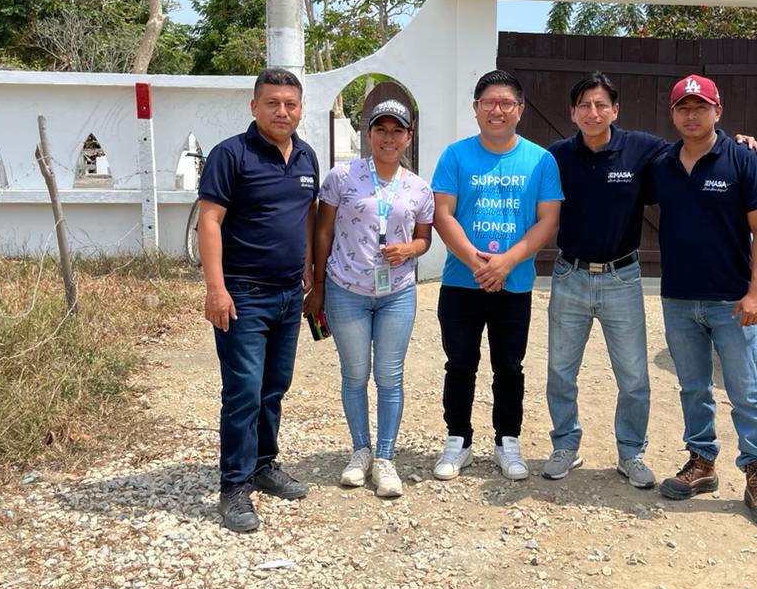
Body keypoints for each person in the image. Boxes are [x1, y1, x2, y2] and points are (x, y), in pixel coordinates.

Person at [542, 71, 757, 490]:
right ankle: (565, 445)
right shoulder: (556, 157)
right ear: (573, 113)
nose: (593, 112)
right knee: (560, 371)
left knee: (633, 376)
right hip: (570, 274)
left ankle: (631, 453)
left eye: (601, 104)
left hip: (622, 276)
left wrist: (740, 143)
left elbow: (699, 146)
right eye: (585, 105)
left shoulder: (644, 150)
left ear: (616, 110)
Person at [646, 73, 757, 527]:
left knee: (746, 390)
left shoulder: (745, 159)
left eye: (700, 107)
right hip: (679, 298)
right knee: (693, 387)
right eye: (683, 108)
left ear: (717, 111)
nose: (692, 115)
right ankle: (701, 461)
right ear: (673, 115)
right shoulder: (662, 164)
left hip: (732, 300)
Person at [196, 68, 318, 533]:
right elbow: (209, 222)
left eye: (290, 104)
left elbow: (307, 215)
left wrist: (309, 269)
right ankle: (234, 486)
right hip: (243, 294)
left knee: (274, 387)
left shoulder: (306, 156)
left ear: (300, 109)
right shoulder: (231, 155)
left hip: (289, 294)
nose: (282, 112)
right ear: (254, 107)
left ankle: (264, 464)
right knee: (243, 392)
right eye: (272, 103)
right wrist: (216, 288)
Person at [431, 69, 563, 481]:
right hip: (461, 281)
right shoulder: (455, 156)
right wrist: (478, 263)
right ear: (476, 108)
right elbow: (443, 214)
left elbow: (547, 220)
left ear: (520, 109)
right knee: (460, 364)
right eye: (489, 102)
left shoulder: (541, 160)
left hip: (515, 282)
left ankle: (508, 441)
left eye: (506, 103)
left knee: (509, 366)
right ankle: (458, 440)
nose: (497, 110)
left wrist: (506, 263)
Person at [305, 99, 434, 499]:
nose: (388, 138)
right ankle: (360, 450)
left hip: (397, 293)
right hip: (346, 290)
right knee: (355, 374)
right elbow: (323, 231)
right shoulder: (342, 177)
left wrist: (409, 249)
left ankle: (385, 457)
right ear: (369, 134)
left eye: (397, 131)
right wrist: (318, 284)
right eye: (381, 130)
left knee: (390, 377)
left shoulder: (419, 188)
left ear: (409, 137)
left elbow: (425, 238)